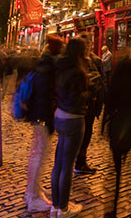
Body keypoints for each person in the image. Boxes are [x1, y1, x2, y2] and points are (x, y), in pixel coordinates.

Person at [102, 49, 131, 218]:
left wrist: (104, 126)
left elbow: (109, 101)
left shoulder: (118, 77)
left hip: (119, 127)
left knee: (116, 172)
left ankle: (113, 209)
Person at [23, 36, 62, 213]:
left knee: (36, 154)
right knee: (39, 156)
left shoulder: (42, 64)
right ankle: (34, 198)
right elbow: (47, 97)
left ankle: (33, 190)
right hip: (42, 118)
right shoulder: (49, 69)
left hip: (38, 116)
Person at [50, 38, 89, 218]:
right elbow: (78, 97)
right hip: (73, 119)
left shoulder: (60, 67)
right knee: (67, 165)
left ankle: (55, 205)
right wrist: (89, 93)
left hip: (60, 115)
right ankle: (64, 209)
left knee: (58, 162)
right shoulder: (78, 71)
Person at [74, 38, 104, 175]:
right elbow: (102, 84)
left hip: (80, 107)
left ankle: (79, 161)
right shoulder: (91, 61)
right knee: (82, 135)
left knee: (84, 136)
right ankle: (78, 162)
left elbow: (103, 85)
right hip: (83, 107)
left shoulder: (95, 61)